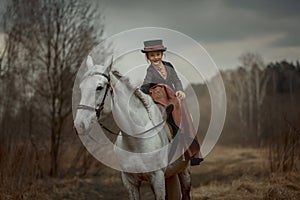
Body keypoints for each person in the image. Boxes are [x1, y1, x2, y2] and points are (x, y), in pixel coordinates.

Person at [140, 39, 203, 166]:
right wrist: (150, 89)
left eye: (158, 54)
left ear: (162, 54)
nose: (155, 57)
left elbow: (176, 80)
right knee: (160, 111)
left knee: (183, 110)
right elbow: (145, 85)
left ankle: (189, 146)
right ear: (147, 57)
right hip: (160, 98)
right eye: (152, 55)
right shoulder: (150, 70)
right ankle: (163, 135)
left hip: (172, 96)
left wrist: (180, 90)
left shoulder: (169, 65)